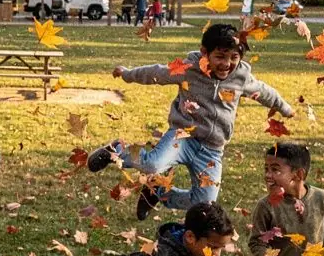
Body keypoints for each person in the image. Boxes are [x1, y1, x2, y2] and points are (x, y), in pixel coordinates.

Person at [87, 22, 295, 220]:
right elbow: (156, 73)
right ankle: (115, 150)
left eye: (234, 57)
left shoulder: (241, 77)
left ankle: (158, 191)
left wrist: (285, 108)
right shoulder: (188, 69)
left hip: (212, 150)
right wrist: (127, 74)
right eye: (220, 57)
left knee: (204, 203)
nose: (227, 64)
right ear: (205, 53)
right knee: (152, 164)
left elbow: (265, 92)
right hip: (182, 136)